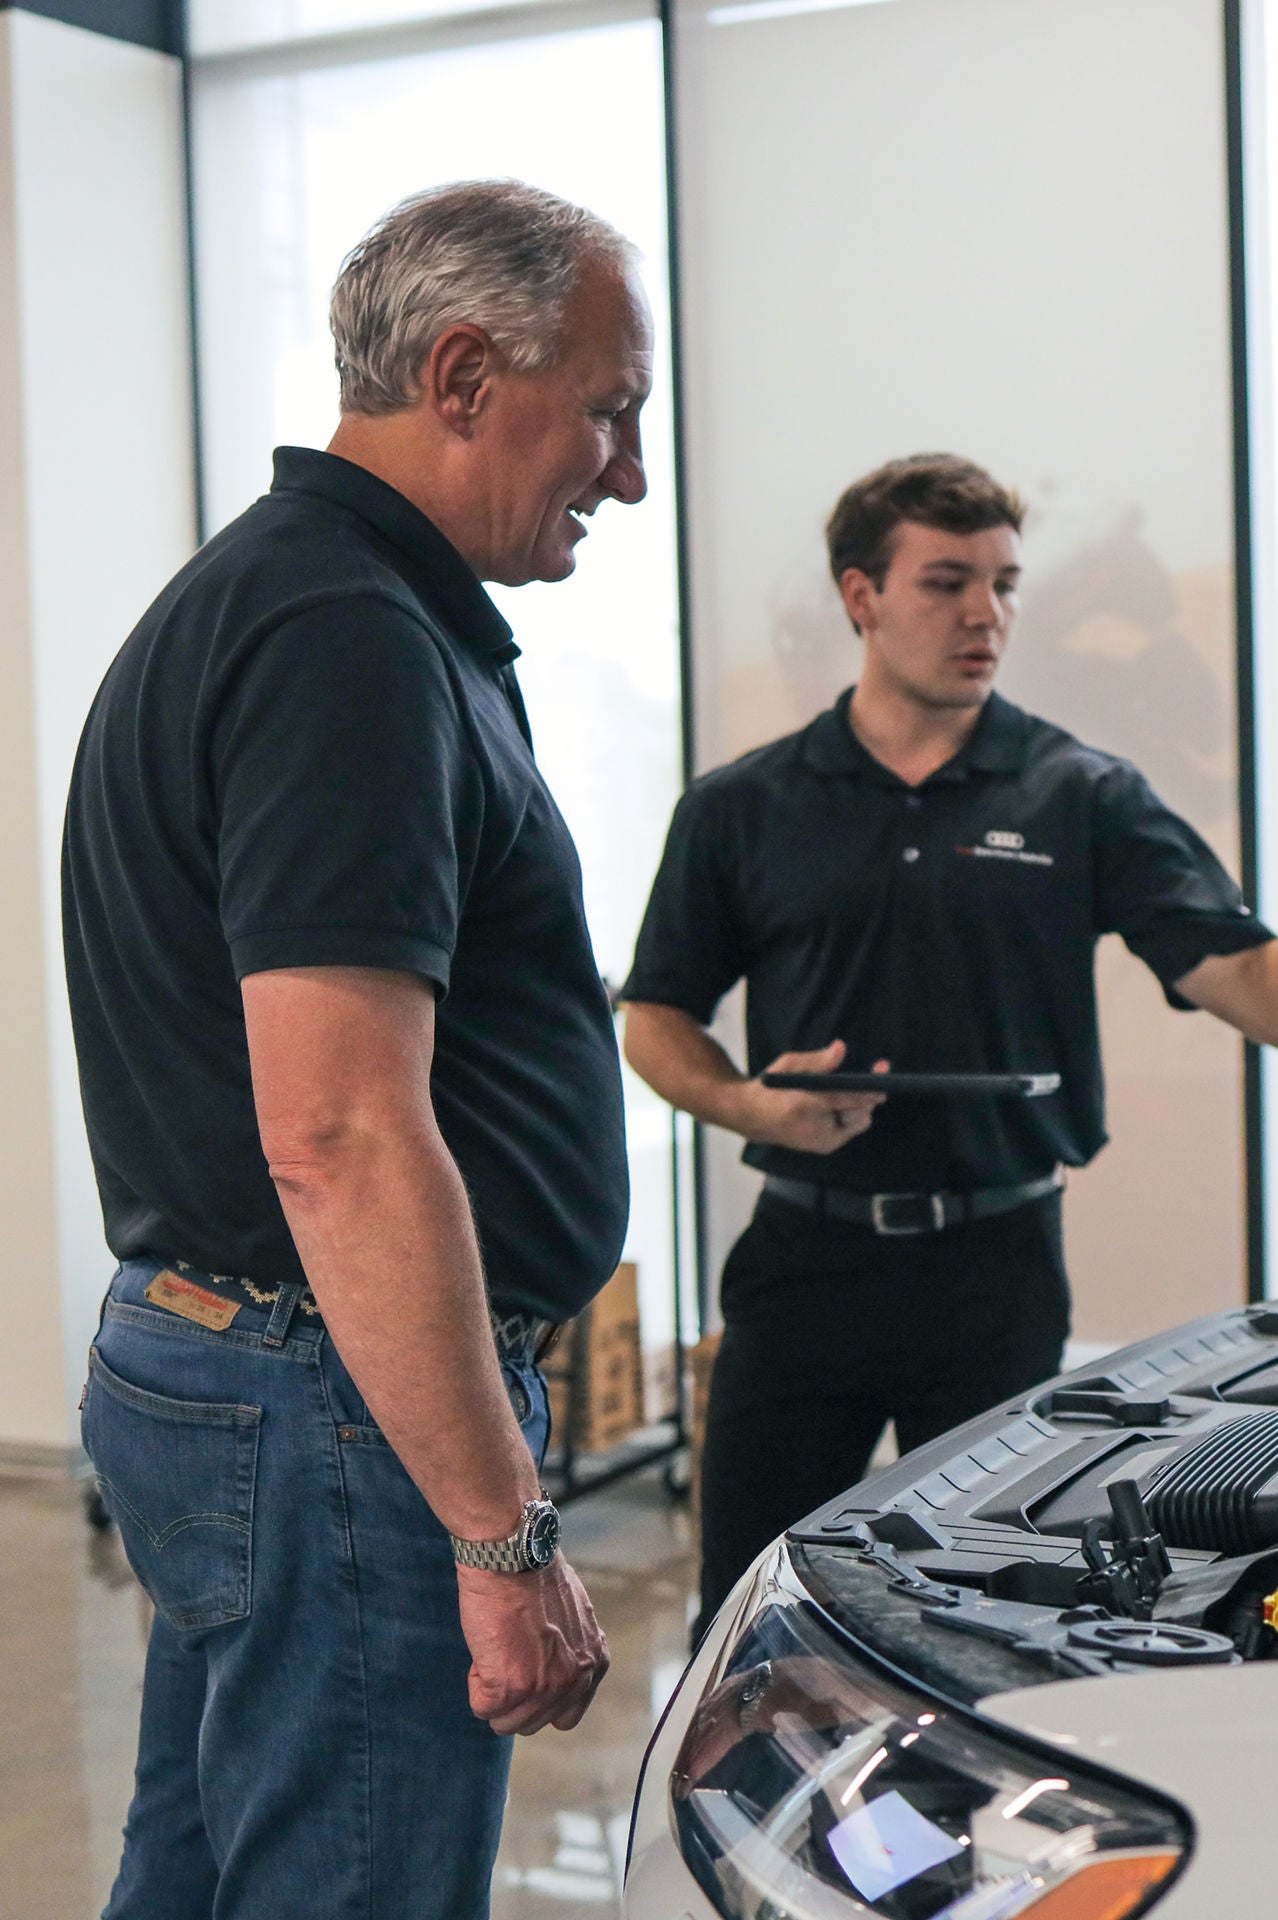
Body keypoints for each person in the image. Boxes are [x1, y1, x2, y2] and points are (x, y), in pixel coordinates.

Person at [621, 452, 1278, 1633]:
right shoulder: (743, 807)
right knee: (751, 1608)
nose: (985, 614)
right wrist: (751, 1107)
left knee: (983, 1610)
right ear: (860, 598)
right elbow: (656, 1017)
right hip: (803, 1269)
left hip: (993, 1275)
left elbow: (1244, 970)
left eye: (1003, 584)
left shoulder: (1076, 793)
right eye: (947, 583)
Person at [64, 181, 652, 1917]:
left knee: (207, 1868)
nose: (625, 471)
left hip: (265, 1371)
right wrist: (500, 1533)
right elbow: (335, 1131)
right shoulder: (343, 642)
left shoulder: (316, 604)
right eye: (609, 411)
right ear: (464, 375)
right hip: (336, 1401)